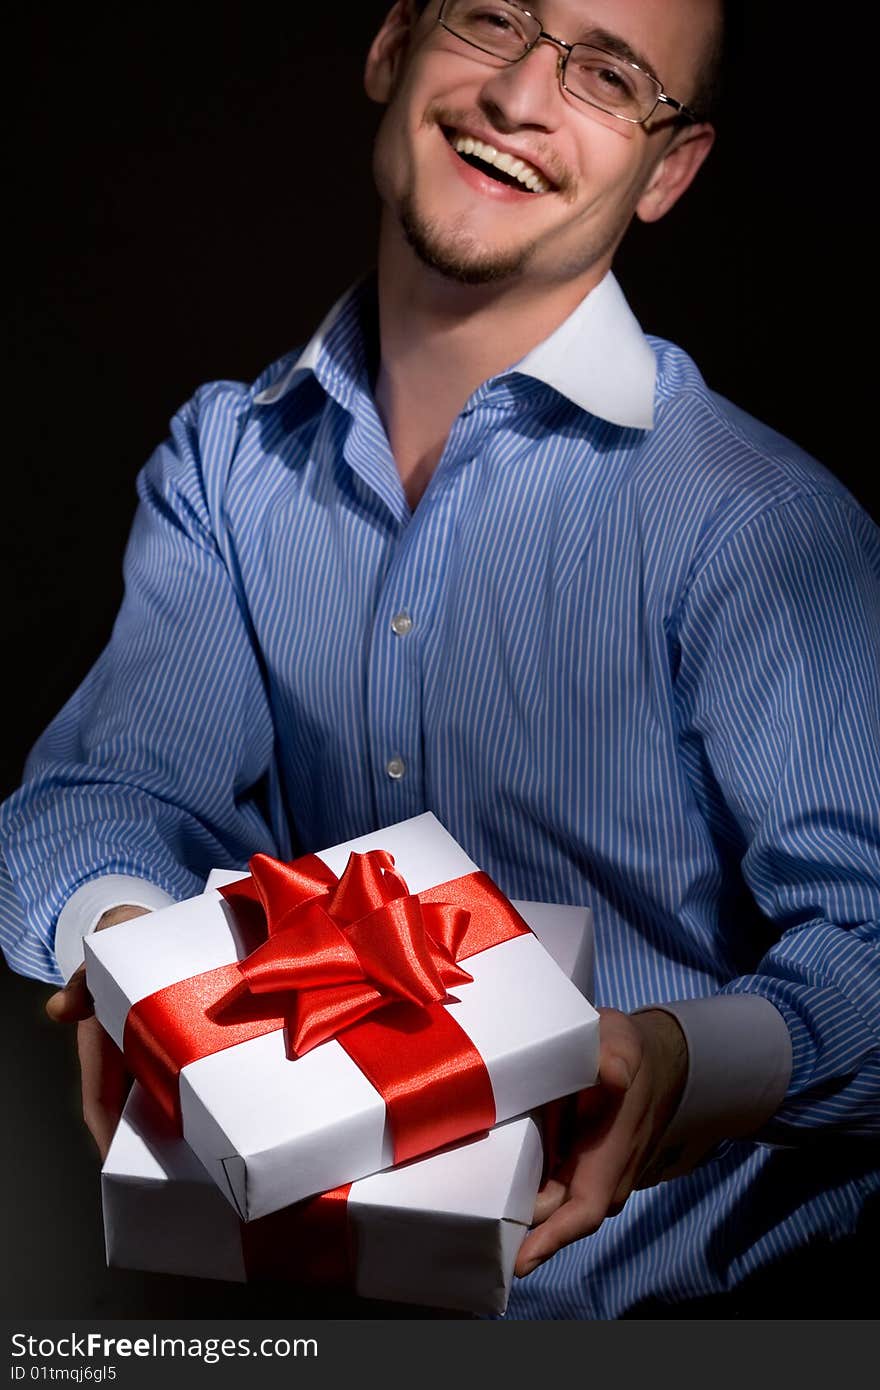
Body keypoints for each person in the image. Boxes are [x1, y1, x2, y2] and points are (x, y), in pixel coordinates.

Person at [2, 0, 878, 1318]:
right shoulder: (226, 467)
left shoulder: (759, 528)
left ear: (672, 170)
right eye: (493, 17)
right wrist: (140, 973)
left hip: (682, 1332)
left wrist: (679, 1063)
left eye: (609, 73)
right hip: (307, 1316)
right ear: (391, 45)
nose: (522, 92)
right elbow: (97, 798)